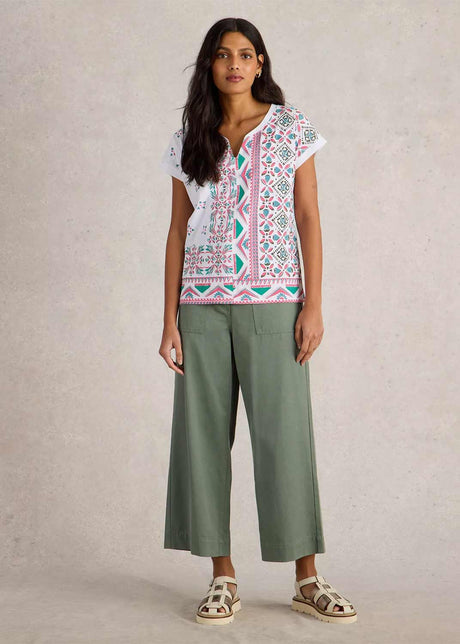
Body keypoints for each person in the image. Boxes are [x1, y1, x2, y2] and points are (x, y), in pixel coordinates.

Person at [158, 17, 357, 626]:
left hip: (276, 302)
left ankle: (307, 578)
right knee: (202, 441)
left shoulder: (290, 128)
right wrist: (168, 320)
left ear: (260, 63)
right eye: (223, 55)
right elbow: (177, 229)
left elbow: (308, 216)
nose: (235, 65)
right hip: (200, 307)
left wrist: (313, 304)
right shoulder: (192, 135)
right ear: (210, 65)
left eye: (246, 55)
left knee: (284, 436)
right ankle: (222, 577)